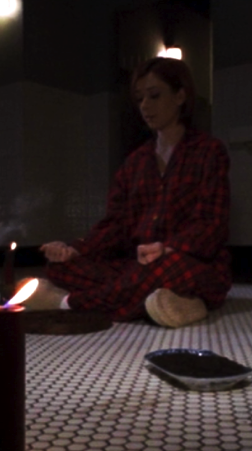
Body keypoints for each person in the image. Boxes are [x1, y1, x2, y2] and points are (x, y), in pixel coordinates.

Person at [22, 57, 231, 328]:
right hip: (137, 267)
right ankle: (176, 302)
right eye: (140, 98)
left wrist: (167, 248)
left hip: (187, 263)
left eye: (154, 96)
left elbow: (211, 225)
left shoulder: (209, 151)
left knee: (165, 268)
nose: (145, 106)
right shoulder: (135, 162)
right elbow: (115, 224)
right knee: (60, 268)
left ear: (180, 96)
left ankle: (67, 303)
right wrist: (74, 249)